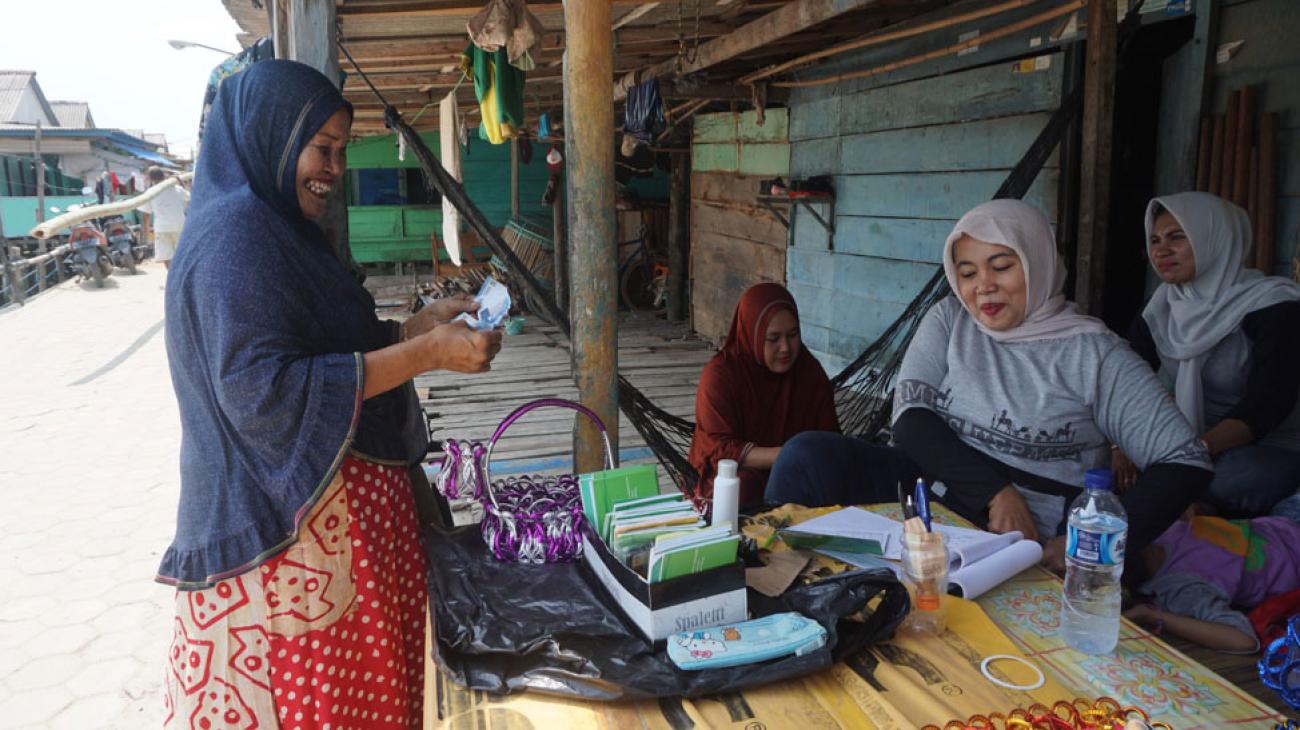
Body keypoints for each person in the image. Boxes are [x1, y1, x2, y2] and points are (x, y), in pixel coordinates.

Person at [158, 61, 502, 729]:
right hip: (285, 570)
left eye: (342, 149)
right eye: (323, 147)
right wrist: (426, 354)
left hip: (330, 561)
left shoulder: (276, 230)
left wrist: (412, 328)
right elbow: (264, 391)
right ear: (272, 138)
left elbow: (320, 345)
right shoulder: (235, 237)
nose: (335, 168)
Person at [770, 200, 1213, 576]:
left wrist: (1088, 545)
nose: (982, 287)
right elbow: (910, 418)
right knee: (807, 457)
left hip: (1032, 526)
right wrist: (996, 492)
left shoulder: (1094, 353)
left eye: (1001, 266)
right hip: (934, 485)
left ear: (1037, 262)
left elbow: (1185, 462)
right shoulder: (950, 319)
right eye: (967, 272)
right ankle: (775, 585)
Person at [1116, 192, 1300, 517]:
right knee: (1096, 462)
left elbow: (1266, 406)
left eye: (1177, 237)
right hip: (1188, 440)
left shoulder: (1272, 306)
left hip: (1266, 445)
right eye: (1155, 239)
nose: (1161, 250)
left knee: (1232, 479)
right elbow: (1127, 377)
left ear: (1215, 239)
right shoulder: (1161, 306)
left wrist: (1188, 455)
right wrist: (1120, 445)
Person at [686, 283, 843, 507]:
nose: (785, 348)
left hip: (798, 472)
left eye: (792, 335)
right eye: (773, 339)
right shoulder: (721, 375)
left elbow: (829, 438)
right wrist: (787, 456)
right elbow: (719, 448)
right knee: (741, 490)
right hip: (737, 473)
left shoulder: (809, 372)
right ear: (753, 334)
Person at [1124, 512, 1300, 653]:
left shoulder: (1155, 528)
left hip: (1286, 523)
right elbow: (1244, 640)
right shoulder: (1182, 589)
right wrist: (1152, 616)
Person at [139, 166, 191, 269]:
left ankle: (172, 280)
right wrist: (181, 184)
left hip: (162, 228)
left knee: (167, 256)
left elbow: (146, 214)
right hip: (180, 226)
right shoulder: (177, 189)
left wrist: (146, 231)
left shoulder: (151, 192)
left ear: (151, 178)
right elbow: (190, 198)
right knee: (183, 254)